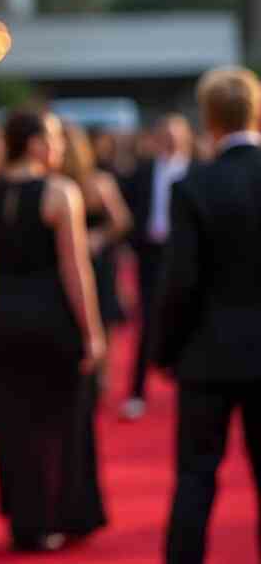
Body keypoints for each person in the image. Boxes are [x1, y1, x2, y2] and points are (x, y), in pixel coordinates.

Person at [0, 111, 108, 552]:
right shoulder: (60, 192)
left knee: (15, 423)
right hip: (54, 319)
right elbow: (75, 269)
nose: (60, 146)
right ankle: (66, 515)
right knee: (64, 418)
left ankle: (27, 521)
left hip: (7, 318)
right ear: (33, 143)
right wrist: (93, 331)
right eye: (55, 137)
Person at [155, 67, 261, 564]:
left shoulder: (193, 185)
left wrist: (165, 350)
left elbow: (181, 281)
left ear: (208, 119)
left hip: (206, 353)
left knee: (195, 478)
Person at [121, 113, 192, 420]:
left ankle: (185, 386)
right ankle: (137, 391)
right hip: (151, 253)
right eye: (167, 133)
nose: (172, 140)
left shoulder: (196, 170)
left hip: (186, 254)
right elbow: (129, 208)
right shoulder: (144, 170)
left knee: (187, 318)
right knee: (147, 320)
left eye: (177, 134)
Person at [61, 124, 133, 347]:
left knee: (101, 324)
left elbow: (122, 220)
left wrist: (98, 237)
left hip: (97, 265)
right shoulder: (54, 185)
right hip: (65, 265)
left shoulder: (100, 182)